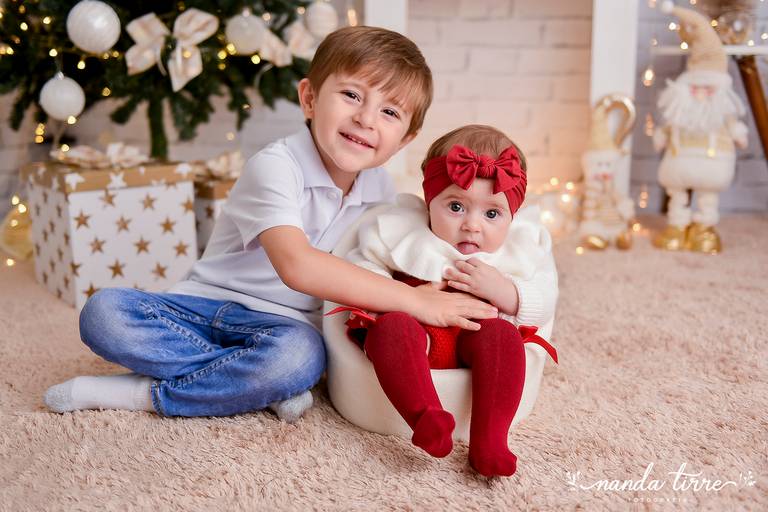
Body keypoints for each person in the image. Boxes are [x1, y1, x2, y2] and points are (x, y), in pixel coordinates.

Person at [43, 27, 499, 422]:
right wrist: (412, 302)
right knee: (103, 313)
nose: (365, 118)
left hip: (285, 329)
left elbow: (417, 249)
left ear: (406, 140)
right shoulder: (276, 166)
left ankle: (147, 393)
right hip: (202, 309)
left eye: (390, 112)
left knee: (299, 360)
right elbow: (297, 266)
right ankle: (245, 384)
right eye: (352, 95)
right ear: (310, 98)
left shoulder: (383, 193)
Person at [341, 125, 558, 477]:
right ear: (429, 201)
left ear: (512, 215)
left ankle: (490, 440)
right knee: (391, 328)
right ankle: (426, 417)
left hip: (475, 341)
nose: (472, 225)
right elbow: (359, 269)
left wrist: (507, 292)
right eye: (456, 206)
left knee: (503, 338)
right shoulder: (404, 233)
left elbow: (546, 298)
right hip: (417, 339)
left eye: (492, 214)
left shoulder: (517, 251)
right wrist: (404, 297)